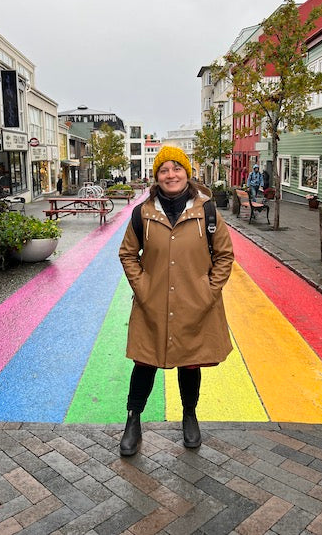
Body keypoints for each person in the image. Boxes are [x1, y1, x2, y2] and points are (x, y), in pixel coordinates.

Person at [118, 146, 234, 456]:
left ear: (187, 172)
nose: (171, 175)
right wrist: (144, 287)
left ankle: (189, 415)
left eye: (177, 168)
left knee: (190, 362)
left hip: (195, 305)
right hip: (151, 304)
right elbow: (128, 253)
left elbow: (224, 255)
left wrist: (207, 291)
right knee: (144, 362)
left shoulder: (207, 210)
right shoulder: (142, 213)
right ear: (156, 177)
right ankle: (133, 419)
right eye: (164, 170)